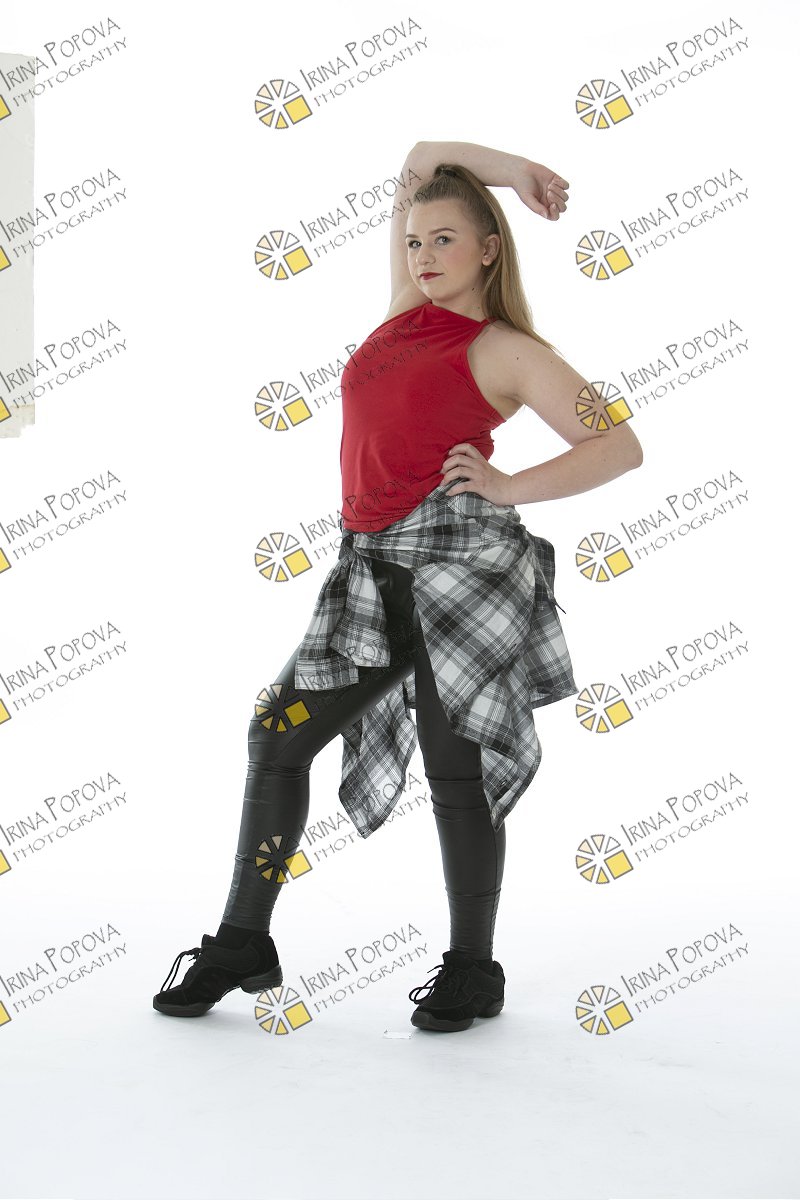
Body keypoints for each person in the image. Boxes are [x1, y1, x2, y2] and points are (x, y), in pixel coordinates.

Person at [153, 141, 643, 1032]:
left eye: (444, 240)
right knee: (277, 735)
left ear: (488, 250)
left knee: (458, 770)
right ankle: (242, 942)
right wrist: (514, 171)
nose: (422, 255)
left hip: (461, 575)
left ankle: (473, 970)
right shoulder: (402, 315)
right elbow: (423, 157)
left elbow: (619, 444)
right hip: (370, 570)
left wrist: (507, 487)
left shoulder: (505, 350)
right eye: (414, 240)